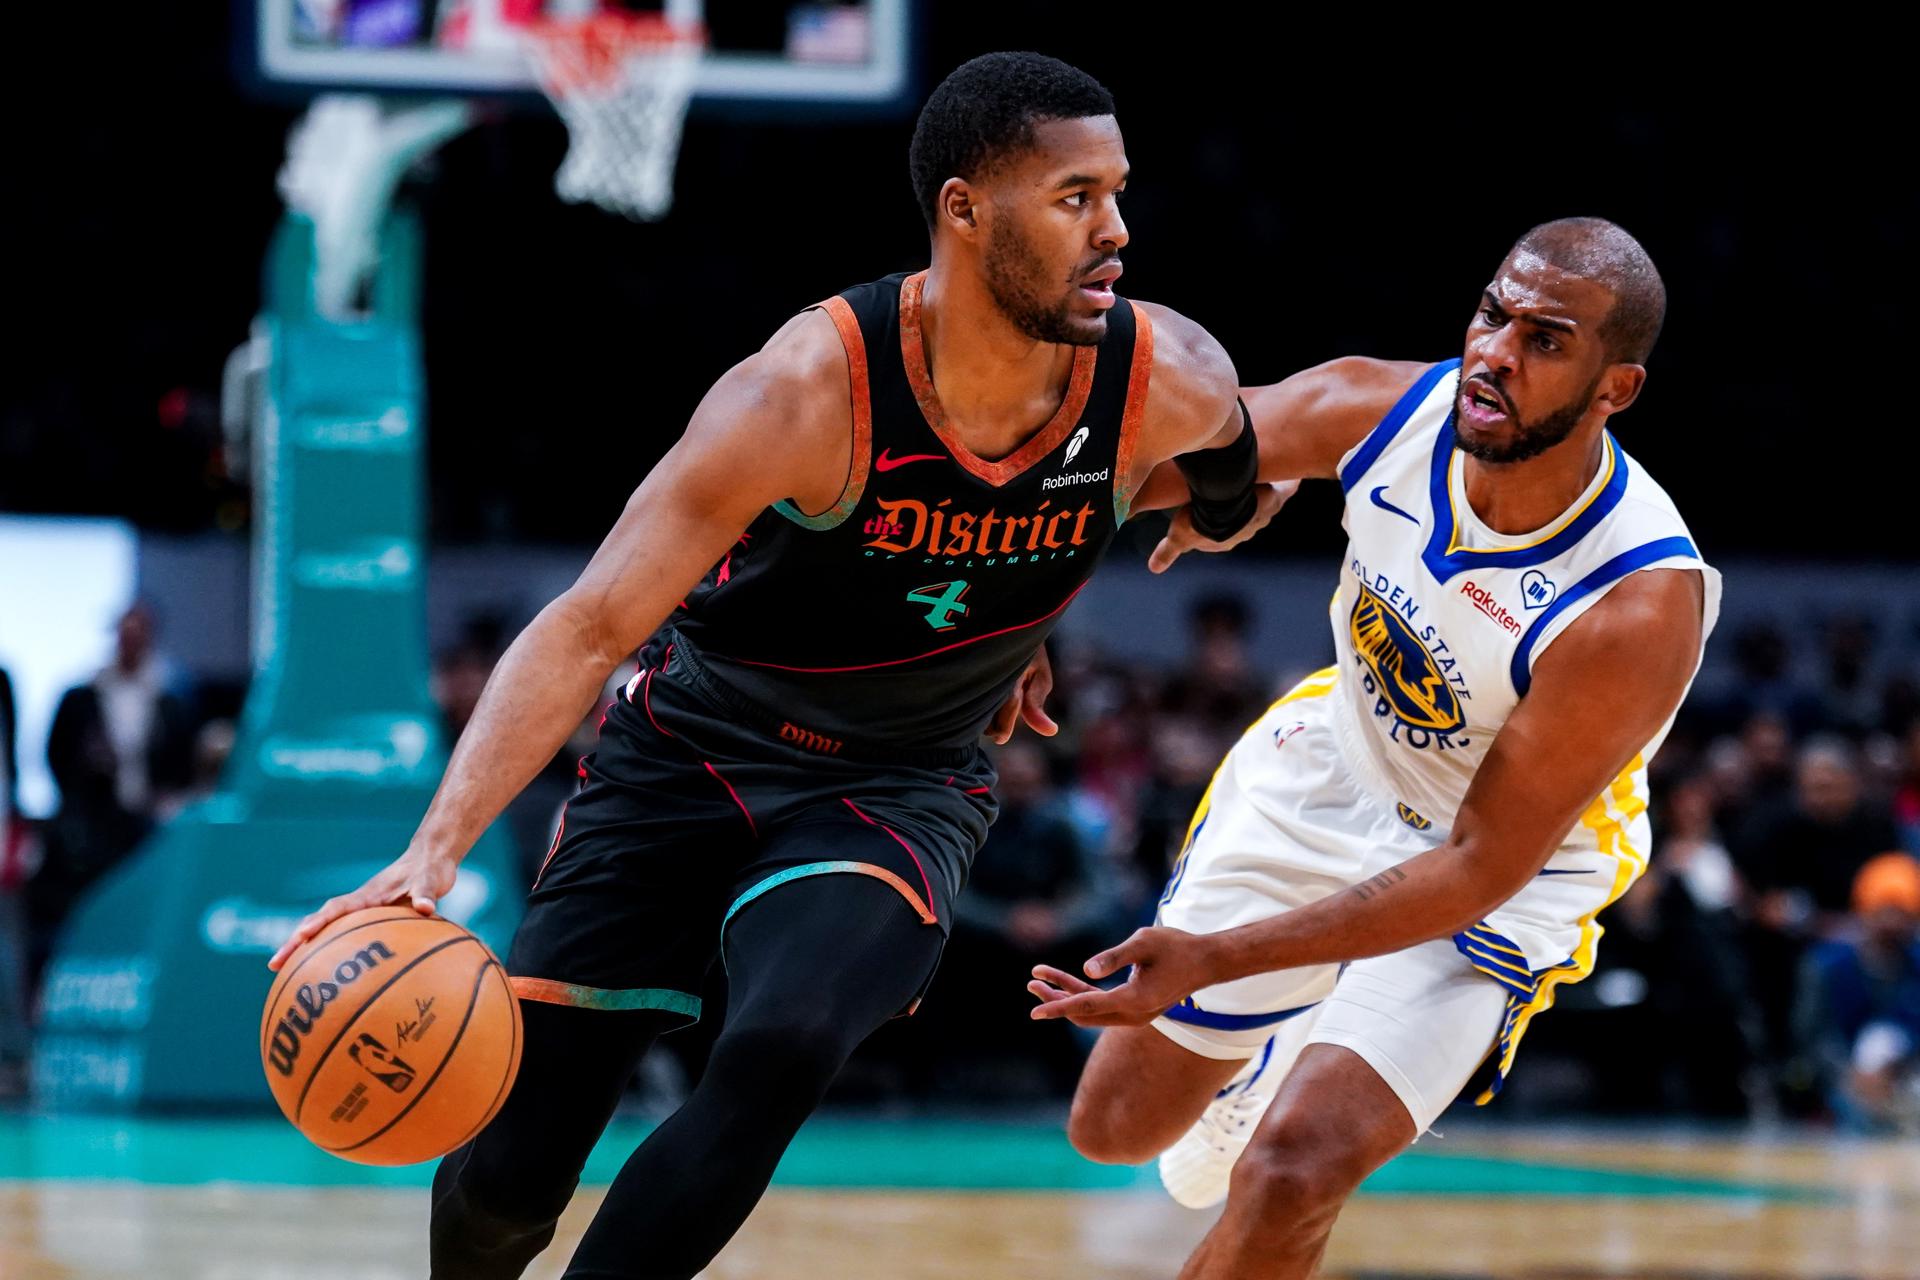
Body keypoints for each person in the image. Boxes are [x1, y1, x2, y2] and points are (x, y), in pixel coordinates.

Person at [269, 52, 1283, 1280]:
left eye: (1118, 193)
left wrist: (1126, 553)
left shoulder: (1162, 378)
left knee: (785, 1041)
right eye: (1076, 197)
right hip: (693, 751)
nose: (1116, 230)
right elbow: (593, 622)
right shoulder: (805, 392)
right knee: (509, 1173)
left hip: (899, 785)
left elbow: (1255, 462)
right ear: (966, 211)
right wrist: (432, 853)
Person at [1030, 218, 1719, 1280]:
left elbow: (1476, 865)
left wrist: (1215, 959)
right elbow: (1148, 465)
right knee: (1114, 1127)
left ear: (1613, 388)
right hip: (1337, 764)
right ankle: (1268, 1052)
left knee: (1290, 1170)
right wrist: (1026, 618)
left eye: (1547, 340)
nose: (1496, 351)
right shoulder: (1385, 406)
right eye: (1494, 311)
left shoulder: (1635, 602)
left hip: (1503, 866)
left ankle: (1287, 1066)